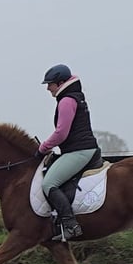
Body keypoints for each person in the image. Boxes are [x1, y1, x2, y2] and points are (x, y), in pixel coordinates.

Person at [35, 64, 99, 241]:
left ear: (60, 83)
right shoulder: (74, 97)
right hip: (83, 149)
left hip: (79, 151)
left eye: (50, 84)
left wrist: (43, 147)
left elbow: (61, 133)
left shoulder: (67, 101)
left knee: (49, 184)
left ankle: (70, 225)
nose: (48, 88)